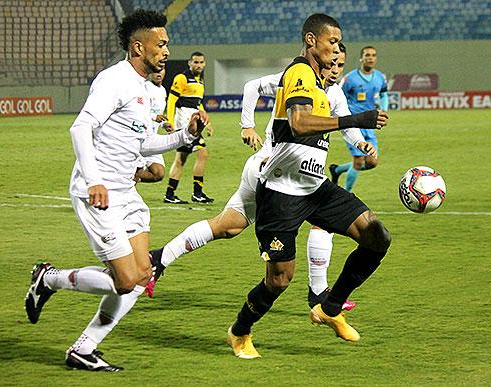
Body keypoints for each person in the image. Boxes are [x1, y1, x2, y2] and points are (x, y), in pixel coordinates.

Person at [23, 9, 208, 372]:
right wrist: (94, 180)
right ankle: (49, 278)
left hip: (126, 192)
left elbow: (144, 141)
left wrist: (186, 136)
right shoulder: (114, 80)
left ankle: (84, 348)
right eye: (161, 44)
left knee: (142, 277)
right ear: (139, 46)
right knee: (124, 281)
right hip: (99, 193)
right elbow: (80, 129)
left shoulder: (149, 90)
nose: (167, 50)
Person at [146, 43, 365, 316]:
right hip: (277, 172)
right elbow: (252, 87)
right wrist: (246, 125)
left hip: (278, 170)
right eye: (331, 62)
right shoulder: (296, 78)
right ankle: (318, 293)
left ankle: (159, 258)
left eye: (339, 64)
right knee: (323, 221)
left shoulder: (334, 93)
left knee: (228, 226)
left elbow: (346, 124)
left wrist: (361, 144)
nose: (334, 69)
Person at [226, 13, 391, 359]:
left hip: (315, 187)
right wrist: (356, 119)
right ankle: (240, 331)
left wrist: (359, 139)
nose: (335, 50)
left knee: (376, 236)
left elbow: (327, 125)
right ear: (312, 41)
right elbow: (299, 124)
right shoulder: (299, 72)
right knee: (279, 280)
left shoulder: (324, 85)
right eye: (332, 42)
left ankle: (329, 306)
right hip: (281, 193)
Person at [329, 45, 388, 192]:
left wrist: (384, 109)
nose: (370, 58)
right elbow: (337, 95)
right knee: (358, 161)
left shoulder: (380, 77)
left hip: (369, 123)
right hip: (353, 123)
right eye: (367, 55)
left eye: (373, 55)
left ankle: (337, 170)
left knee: (372, 162)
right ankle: (346, 196)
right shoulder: (350, 78)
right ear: (361, 58)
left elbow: (383, 94)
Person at [164, 52, 215, 204]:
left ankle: (171, 194)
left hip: (193, 121)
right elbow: (172, 100)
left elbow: (198, 104)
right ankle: (195, 193)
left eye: (201, 62)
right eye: (196, 62)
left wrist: (207, 123)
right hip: (184, 122)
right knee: (200, 154)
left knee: (184, 158)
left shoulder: (200, 82)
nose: (198, 65)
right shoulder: (182, 78)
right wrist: (171, 122)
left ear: (204, 64)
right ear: (189, 63)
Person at [135, 68, 171, 184]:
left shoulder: (163, 91)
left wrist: (164, 124)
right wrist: (154, 117)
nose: (158, 73)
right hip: (140, 137)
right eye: (156, 71)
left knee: (158, 173)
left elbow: (157, 113)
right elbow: (138, 111)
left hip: (152, 138)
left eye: (161, 71)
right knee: (135, 168)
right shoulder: (144, 87)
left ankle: (132, 179)